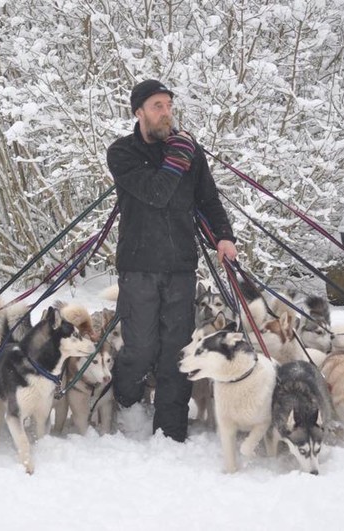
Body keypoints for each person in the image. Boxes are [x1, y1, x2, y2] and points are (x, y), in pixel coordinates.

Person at [106, 79, 238, 442]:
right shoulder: (122, 153)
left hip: (181, 265)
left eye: (168, 105)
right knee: (140, 347)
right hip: (138, 265)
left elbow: (208, 199)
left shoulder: (189, 152)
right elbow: (155, 193)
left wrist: (224, 236)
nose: (166, 113)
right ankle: (131, 407)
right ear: (139, 112)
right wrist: (179, 156)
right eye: (157, 106)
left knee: (176, 349)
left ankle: (171, 427)